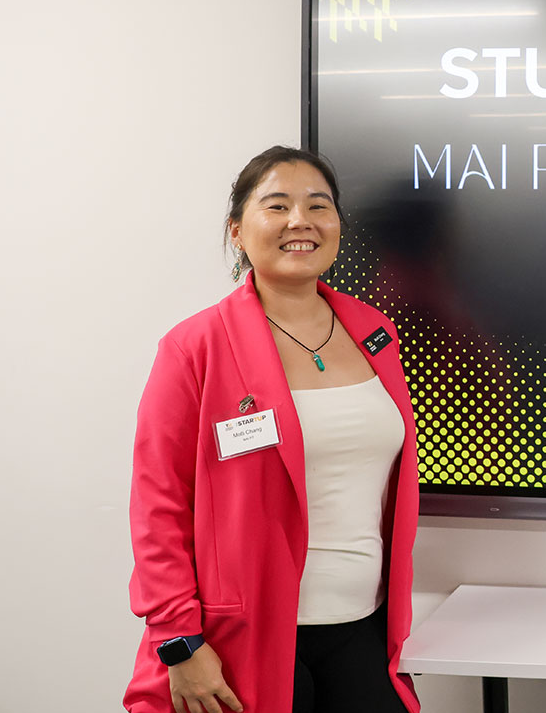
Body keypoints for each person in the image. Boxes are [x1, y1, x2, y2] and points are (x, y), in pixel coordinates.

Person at [125, 146, 421, 713]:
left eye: (319, 205)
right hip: (242, 639)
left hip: (365, 627)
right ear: (237, 230)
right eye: (277, 205)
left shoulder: (373, 330)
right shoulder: (196, 348)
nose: (300, 221)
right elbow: (158, 505)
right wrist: (179, 642)